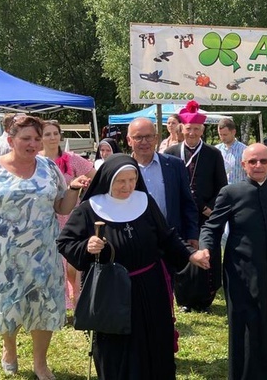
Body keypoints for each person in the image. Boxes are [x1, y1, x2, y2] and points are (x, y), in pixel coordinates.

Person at [57, 154, 211, 380]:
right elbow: (65, 242)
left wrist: (190, 255)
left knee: (155, 339)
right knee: (117, 345)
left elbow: (166, 237)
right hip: (111, 288)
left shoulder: (145, 202)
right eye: (121, 181)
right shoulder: (90, 208)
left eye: (132, 179)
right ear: (108, 179)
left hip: (150, 285)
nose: (128, 186)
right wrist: (87, 246)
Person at [0, 115, 89, 380]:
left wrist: (73, 188)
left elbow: (61, 207)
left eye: (37, 139)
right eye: (26, 138)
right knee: (8, 306)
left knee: (44, 306)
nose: (33, 144)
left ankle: (40, 363)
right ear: (10, 140)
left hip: (44, 253)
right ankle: (9, 349)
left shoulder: (49, 168)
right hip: (1, 256)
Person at [200, 143, 267, 380]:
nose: (258, 166)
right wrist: (205, 250)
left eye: (264, 161)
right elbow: (211, 228)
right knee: (247, 325)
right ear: (243, 165)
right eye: (252, 161)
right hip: (242, 271)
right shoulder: (230, 193)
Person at [165, 101, 227, 312]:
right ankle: (184, 298)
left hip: (205, 215)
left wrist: (211, 208)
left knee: (205, 252)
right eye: (188, 129)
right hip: (180, 213)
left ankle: (204, 298)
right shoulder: (171, 153)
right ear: (182, 129)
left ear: (202, 130)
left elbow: (222, 186)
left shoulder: (213, 154)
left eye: (196, 129)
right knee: (183, 252)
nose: (192, 133)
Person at [40, 120, 96, 309]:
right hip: (46, 218)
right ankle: (58, 304)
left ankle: (78, 302)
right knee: (53, 262)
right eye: (47, 134)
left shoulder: (72, 159)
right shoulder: (36, 161)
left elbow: (95, 176)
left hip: (71, 216)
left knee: (72, 263)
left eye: (55, 133)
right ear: (40, 137)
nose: (52, 137)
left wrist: (88, 200)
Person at [127, 117, 198, 252]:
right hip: (135, 243)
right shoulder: (121, 169)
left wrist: (192, 233)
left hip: (172, 241)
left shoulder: (175, 165)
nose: (144, 142)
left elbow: (187, 203)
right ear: (129, 140)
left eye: (148, 137)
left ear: (156, 138)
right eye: (138, 137)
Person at [215, 118, 247, 185]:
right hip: (222, 190)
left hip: (239, 190)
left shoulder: (244, 150)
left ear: (233, 132)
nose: (222, 138)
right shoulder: (216, 150)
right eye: (220, 135)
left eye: (225, 135)